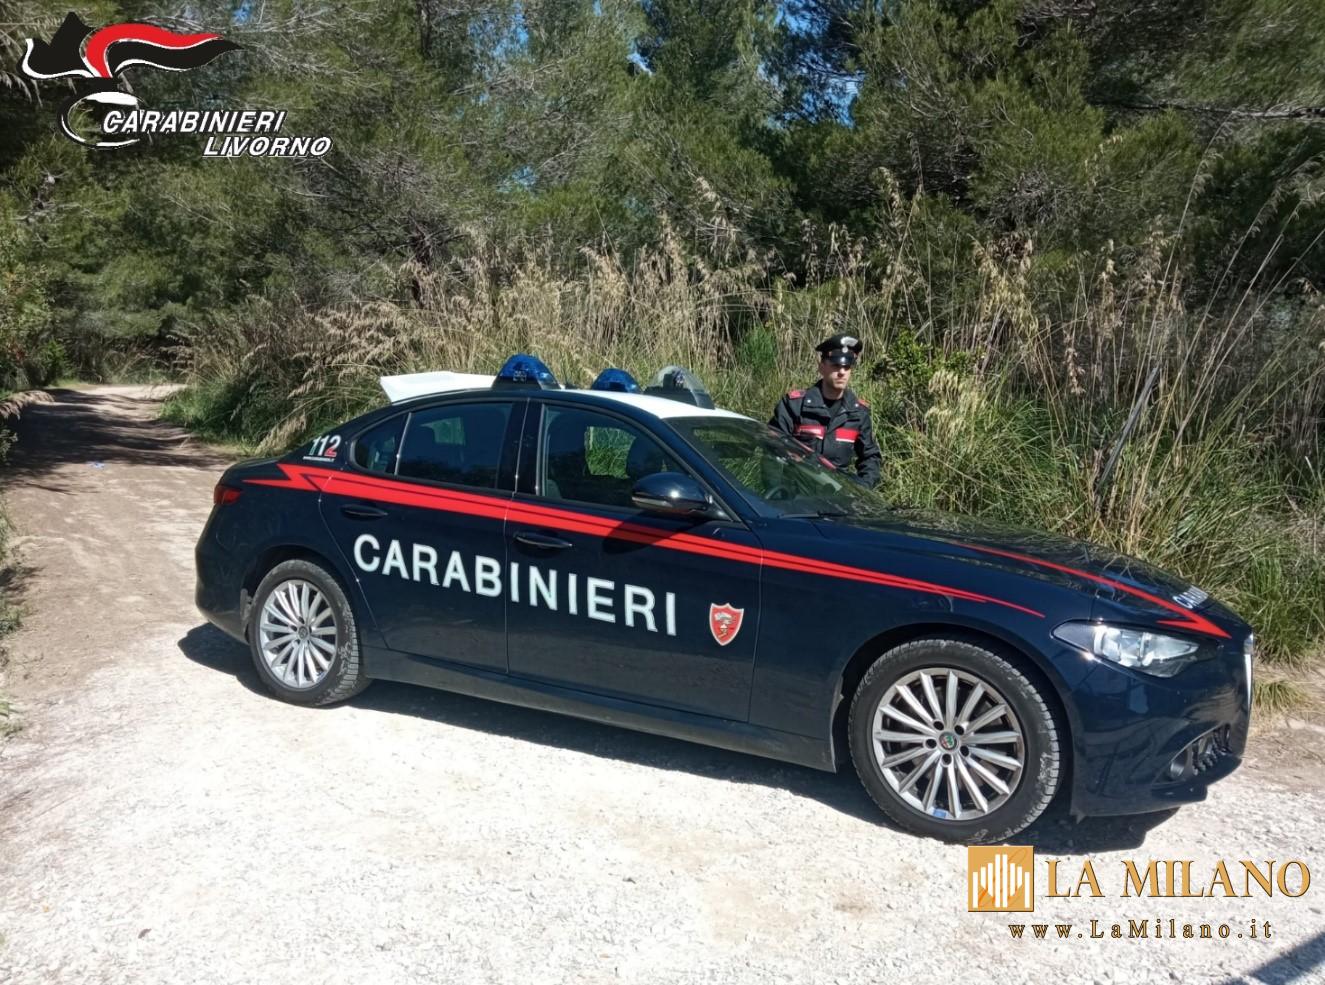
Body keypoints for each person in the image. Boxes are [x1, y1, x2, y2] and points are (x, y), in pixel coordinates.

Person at [769, 334, 882, 487]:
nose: (842, 372)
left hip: (836, 495)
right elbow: (772, 450)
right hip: (795, 493)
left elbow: (870, 457)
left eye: (847, 367)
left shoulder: (858, 413)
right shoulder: (795, 406)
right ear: (821, 367)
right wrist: (776, 492)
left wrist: (862, 488)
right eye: (836, 365)